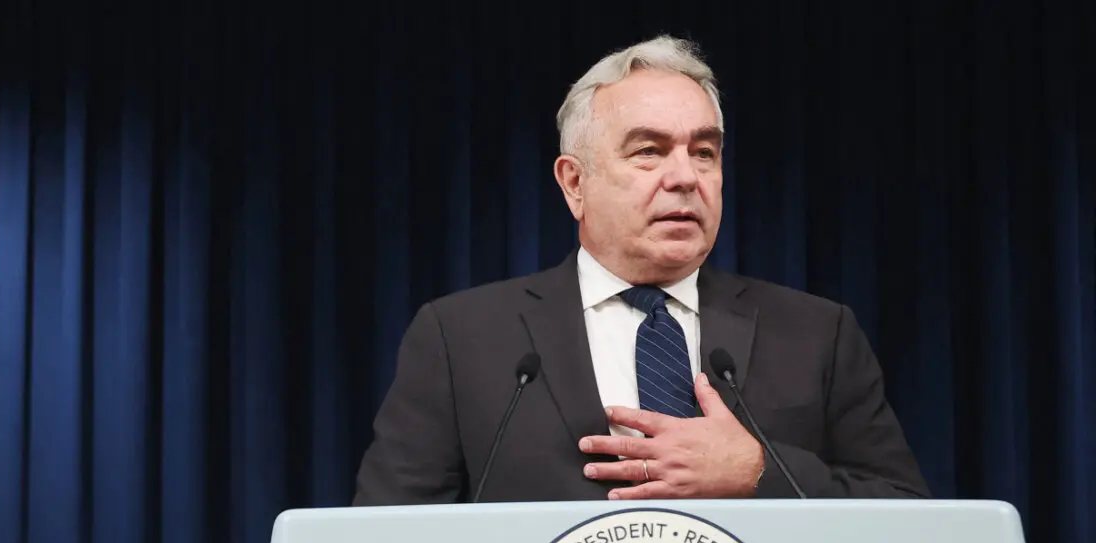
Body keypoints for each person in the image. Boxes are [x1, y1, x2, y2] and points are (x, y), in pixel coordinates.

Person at [352, 35, 930, 505]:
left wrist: (758, 472)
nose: (685, 177)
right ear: (575, 183)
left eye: (703, 152)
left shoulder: (816, 333)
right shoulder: (462, 338)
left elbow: (905, 515)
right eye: (648, 151)